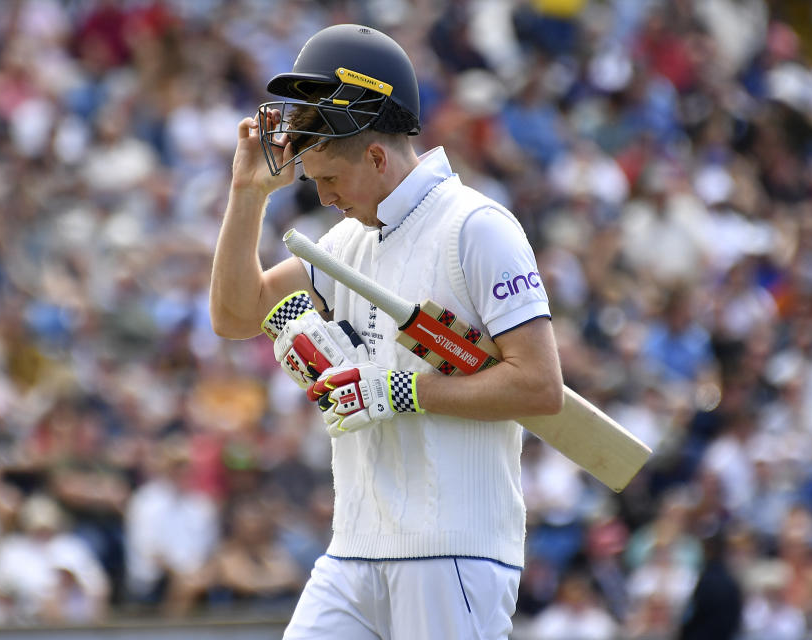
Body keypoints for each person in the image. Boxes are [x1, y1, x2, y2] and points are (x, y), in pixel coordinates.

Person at [209, 23, 563, 640]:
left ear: (375, 155)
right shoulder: (346, 244)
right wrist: (246, 193)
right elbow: (236, 316)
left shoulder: (476, 226)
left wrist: (403, 391)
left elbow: (539, 388)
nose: (321, 196)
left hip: (453, 552)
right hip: (353, 550)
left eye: (328, 179)